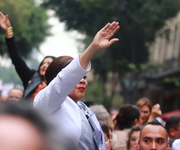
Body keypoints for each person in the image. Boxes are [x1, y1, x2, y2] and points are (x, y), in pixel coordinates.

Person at [34, 21, 120, 150]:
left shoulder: (84, 110)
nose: (82, 81)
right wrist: (93, 47)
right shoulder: (44, 101)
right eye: (76, 76)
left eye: (84, 77)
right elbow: (64, 80)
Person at [0, 11, 55, 101]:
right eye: (43, 63)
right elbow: (16, 59)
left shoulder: (59, 83)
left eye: (49, 63)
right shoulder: (31, 77)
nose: (44, 65)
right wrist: (8, 30)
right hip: (28, 114)